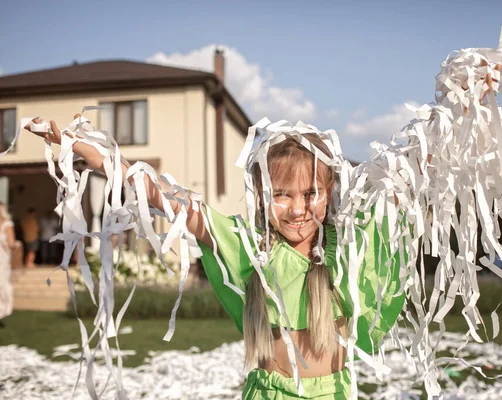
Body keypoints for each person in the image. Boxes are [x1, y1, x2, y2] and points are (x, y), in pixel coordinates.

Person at [26, 116, 404, 399]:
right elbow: (155, 191)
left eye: (311, 193)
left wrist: (462, 98)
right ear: (260, 193)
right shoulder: (246, 248)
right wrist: (75, 145)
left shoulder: (351, 248)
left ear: (331, 189)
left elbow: (412, 177)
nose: (297, 209)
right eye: (282, 194)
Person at [0, 202, 17, 327]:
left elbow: (12, 244)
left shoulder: (7, 225)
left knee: (2, 283)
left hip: (2, 257)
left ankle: (3, 310)